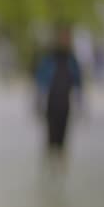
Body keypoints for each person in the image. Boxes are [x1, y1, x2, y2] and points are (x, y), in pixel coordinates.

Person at [34, 25, 83, 162]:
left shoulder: (71, 59)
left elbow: (78, 82)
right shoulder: (50, 58)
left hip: (65, 101)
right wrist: (38, 100)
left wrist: (80, 103)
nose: (65, 40)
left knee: (63, 134)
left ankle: (60, 164)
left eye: (67, 37)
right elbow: (41, 79)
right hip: (51, 100)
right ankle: (49, 162)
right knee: (51, 133)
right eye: (63, 37)